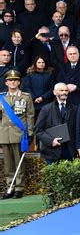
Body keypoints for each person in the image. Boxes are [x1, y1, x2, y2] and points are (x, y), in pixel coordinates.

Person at [0, 70, 34, 199]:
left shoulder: (26, 96)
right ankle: (10, 187)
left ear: (19, 82)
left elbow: (30, 115)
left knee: (19, 162)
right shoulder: (1, 97)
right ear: (6, 82)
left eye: (15, 80)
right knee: (8, 164)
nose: (13, 82)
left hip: (19, 134)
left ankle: (19, 188)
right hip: (4, 134)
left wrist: (30, 133)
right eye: (10, 80)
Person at [34, 82, 78, 164]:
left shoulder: (75, 109)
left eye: (66, 90)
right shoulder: (46, 109)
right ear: (54, 92)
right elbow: (38, 130)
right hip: (51, 151)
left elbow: (78, 129)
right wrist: (51, 141)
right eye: (61, 90)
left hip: (70, 151)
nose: (64, 92)